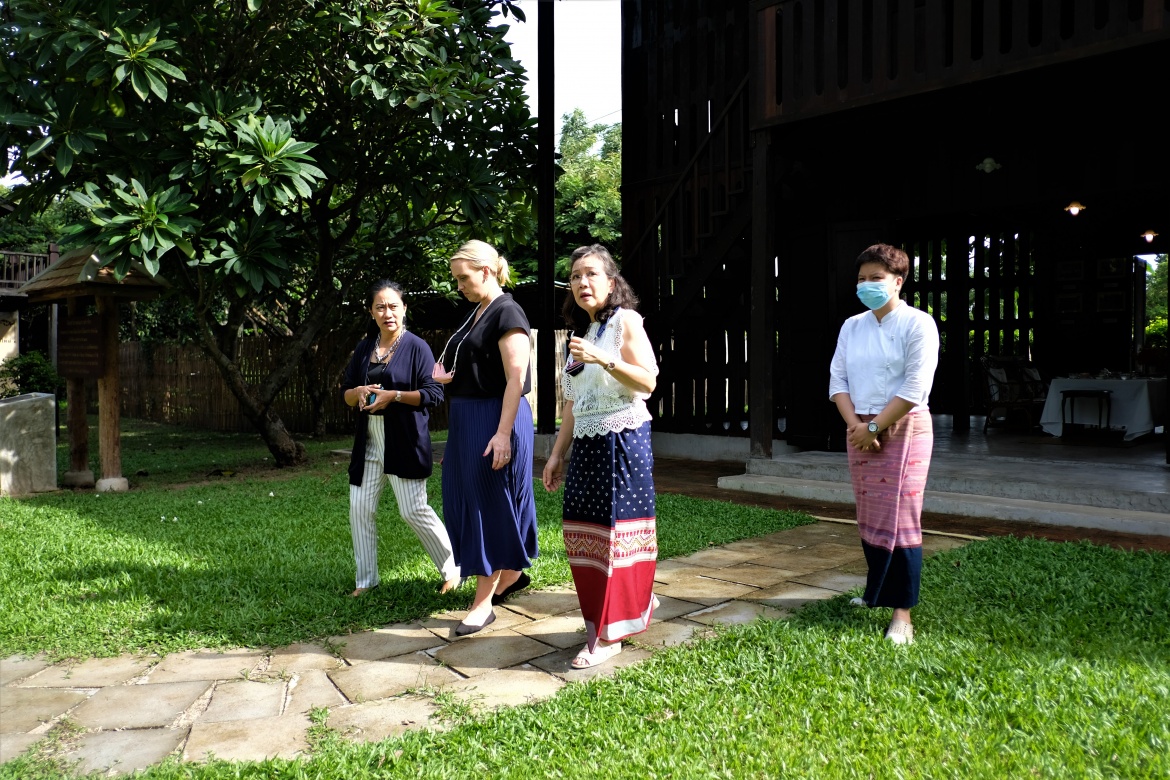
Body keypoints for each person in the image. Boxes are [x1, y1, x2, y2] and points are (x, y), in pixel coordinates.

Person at [542, 244, 660, 669]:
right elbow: (573, 404)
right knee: (583, 531)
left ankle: (610, 633)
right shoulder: (583, 336)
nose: (581, 282)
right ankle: (628, 604)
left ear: (612, 282)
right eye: (575, 276)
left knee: (616, 536)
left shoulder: (625, 322)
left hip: (622, 441)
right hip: (588, 446)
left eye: (591, 273)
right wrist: (557, 454)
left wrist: (604, 359)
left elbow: (647, 382)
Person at [829, 243, 940, 645]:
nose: (867, 285)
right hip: (859, 430)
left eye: (876, 278)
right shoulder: (851, 326)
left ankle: (902, 613)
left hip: (903, 427)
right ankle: (875, 591)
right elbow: (838, 381)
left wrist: (875, 427)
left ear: (898, 281)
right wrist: (857, 426)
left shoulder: (918, 324)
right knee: (870, 515)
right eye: (861, 279)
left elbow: (915, 386)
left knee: (901, 517)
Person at [436, 240, 538, 636]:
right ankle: (510, 573)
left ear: (485, 271)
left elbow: (515, 378)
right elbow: (478, 365)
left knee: (488, 505)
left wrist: (502, 434)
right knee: (465, 498)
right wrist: (449, 378)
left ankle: (483, 604)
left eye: (463, 277)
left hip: (495, 417)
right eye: (456, 279)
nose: (459, 285)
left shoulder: (507, 311)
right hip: (468, 419)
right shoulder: (476, 312)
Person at [341, 280, 460, 598]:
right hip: (369, 441)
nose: (387, 313)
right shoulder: (365, 348)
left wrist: (393, 396)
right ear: (371, 312)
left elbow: (433, 393)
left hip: (404, 439)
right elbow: (346, 393)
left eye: (393, 306)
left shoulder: (417, 347)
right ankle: (366, 581)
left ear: (404, 308)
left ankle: (453, 569)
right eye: (380, 307)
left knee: (412, 510)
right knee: (359, 509)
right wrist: (359, 391)